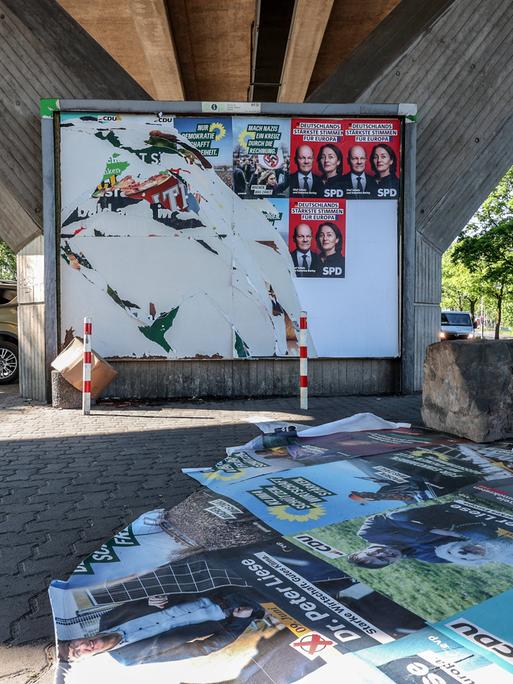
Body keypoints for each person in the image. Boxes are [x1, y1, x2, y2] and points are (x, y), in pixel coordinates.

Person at [58, 591, 264, 665]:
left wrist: (149, 599)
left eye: (74, 643)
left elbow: (153, 592)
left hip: (216, 589)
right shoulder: (128, 658)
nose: (83, 646)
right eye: (78, 653)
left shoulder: (110, 617)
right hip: (233, 612)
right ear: (84, 659)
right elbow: (201, 649)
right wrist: (239, 622)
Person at [347, 503, 512, 569]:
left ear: (366, 548)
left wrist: (430, 531)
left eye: (372, 553)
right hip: (464, 528)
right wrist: (471, 551)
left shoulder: (369, 532)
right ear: (392, 562)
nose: (383, 554)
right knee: (481, 538)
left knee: (396, 517)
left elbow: (389, 517)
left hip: (440, 515)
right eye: (383, 560)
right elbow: (464, 549)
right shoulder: (427, 556)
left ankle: (456, 505)